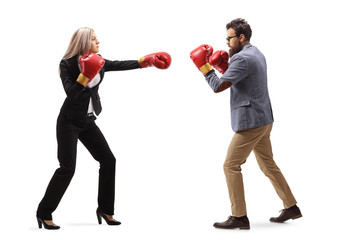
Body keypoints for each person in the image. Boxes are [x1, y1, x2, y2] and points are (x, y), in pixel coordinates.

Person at [36, 27, 171, 230]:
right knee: (67, 168)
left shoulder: (98, 60)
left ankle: (105, 210)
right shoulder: (67, 64)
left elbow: (119, 64)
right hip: (69, 122)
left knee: (108, 160)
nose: (98, 41)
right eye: (93, 38)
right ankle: (44, 212)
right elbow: (72, 94)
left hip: (88, 121)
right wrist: (84, 75)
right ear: (82, 42)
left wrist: (145, 61)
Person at [190, 18, 301, 230]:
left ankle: (239, 216)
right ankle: (291, 206)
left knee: (231, 165)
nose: (227, 43)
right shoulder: (255, 52)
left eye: (230, 38)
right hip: (264, 119)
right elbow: (241, 77)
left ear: (242, 37)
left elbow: (217, 86)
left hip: (250, 122)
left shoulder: (241, 59)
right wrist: (224, 65)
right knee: (267, 163)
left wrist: (204, 66)